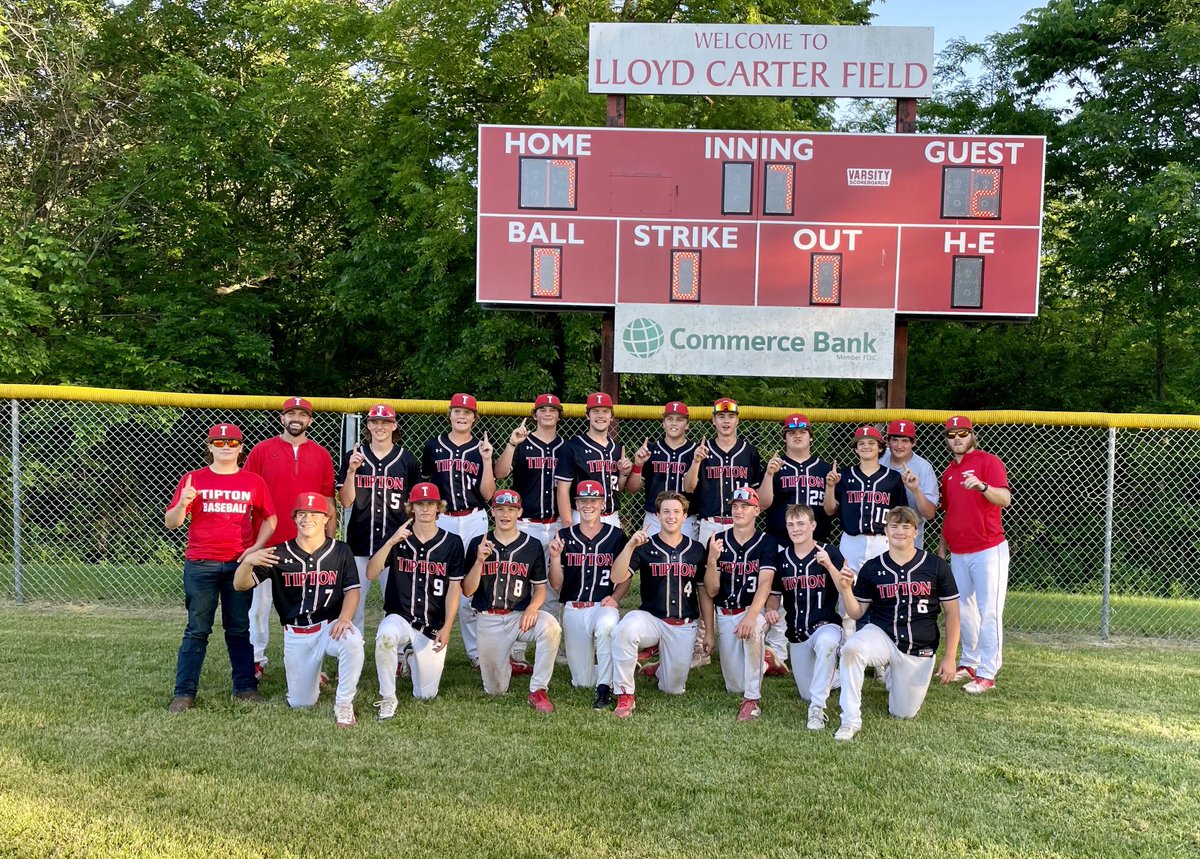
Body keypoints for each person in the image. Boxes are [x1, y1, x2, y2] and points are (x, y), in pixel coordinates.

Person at [164, 423, 276, 712]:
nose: (225, 448)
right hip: (201, 563)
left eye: (231, 443)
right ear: (210, 446)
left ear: (241, 449)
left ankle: (245, 687)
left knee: (239, 628)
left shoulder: (253, 481)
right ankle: (184, 692)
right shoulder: (193, 479)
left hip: (238, 564)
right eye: (219, 443)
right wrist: (183, 504)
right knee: (197, 629)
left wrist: (256, 547)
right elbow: (172, 523)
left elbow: (270, 519)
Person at [233, 493, 364, 727]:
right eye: (302, 514)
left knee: (353, 640)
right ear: (294, 519)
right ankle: (312, 676)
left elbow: (352, 590)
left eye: (315, 514)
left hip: (329, 627)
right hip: (296, 633)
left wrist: (345, 618)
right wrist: (248, 562)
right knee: (301, 703)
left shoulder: (341, 551)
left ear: (326, 519)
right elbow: (240, 585)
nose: (308, 519)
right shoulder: (278, 553)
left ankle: (344, 704)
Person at [831, 506, 960, 741]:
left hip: (918, 644)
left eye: (906, 526)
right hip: (882, 634)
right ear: (886, 531)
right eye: (894, 526)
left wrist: (950, 657)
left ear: (914, 531)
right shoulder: (873, 567)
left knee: (903, 713)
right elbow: (857, 612)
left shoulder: (935, 566)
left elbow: (952, 614)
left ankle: (896, 674)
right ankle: (850, 719)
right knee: (852, 649)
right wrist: (846, 588)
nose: (899, 531)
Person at [244, 397, 336, 679]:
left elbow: (329, 501)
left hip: (306, 545)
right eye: (291, 413)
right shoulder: (262, 450)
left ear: (310, 421)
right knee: (258, 607)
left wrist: (329, 541)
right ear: (282, 418)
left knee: (307, 607)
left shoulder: (321, 454)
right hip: (267, 542)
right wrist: (248, 541)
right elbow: (247, 496)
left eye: (302, 414)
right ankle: (256, 659)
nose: (296, 418)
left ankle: (310, 664)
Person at [366, 482, 464, 717]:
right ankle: (388, 697)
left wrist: (448, 627)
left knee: (425, 695)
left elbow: (454, 588)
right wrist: (391, 543)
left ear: (438, 508)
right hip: (400, 616)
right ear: (412, 508)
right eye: (420, 504)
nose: (425, 509)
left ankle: (411, 656)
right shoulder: (399, 537)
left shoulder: (452, 542)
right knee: (386, 637)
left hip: (432, 624)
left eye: (430, 504)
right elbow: (371, 573)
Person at [609, 491, 710, 718]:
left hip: (683, 624)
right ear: (657, 515)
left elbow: (704, 592)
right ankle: (625, 693)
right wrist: (629, 547)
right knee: (625, 628)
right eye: (666, 511)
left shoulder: (695, 550)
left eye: (676, 511)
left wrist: (709, 633)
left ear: (684, 516)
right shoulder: (645, 546)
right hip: (651, 618)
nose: (671, 516)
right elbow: (617, 577)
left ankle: (660, 667)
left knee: (672, 689)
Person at [461, 489, 562, 712]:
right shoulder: (479, 543)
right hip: (489, 619)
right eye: (500, 509)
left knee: (551, 627)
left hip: (519, 617)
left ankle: (538, 689)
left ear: (519, 513)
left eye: (511, 509)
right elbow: (468, 591)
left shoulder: (532, 544)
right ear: (493, 512)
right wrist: (478, 561)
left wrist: (533, 608)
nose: (505, 514)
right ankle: (506, 664)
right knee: (495, 690)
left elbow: (540, 589)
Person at [422, 393, 496, 668]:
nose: (462, 416)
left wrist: (487, 460)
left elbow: (489, 494)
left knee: (471, 586)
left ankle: (476, 653)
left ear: (474, 418)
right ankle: (428, 643)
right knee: (437, 582)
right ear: (450, 414)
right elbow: (426, 489)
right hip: (442, 520)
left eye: (467, 412)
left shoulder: (482, 448)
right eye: (457, 411)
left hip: (475, 518)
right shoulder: (433, 447)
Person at [939, 415, 1012, 694]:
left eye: (962, 433)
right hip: (958, 550)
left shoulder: (987, 462)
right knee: (963, 610)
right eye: (951, 434)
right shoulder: (948, 471)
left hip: (988, 548)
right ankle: (970, 662)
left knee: (989, 611)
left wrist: (982, 486)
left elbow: (1004, 499)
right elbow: (951, 510)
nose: (957, 438)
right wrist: (944, 542)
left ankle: (987, 673)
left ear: (972, 435)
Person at [756, 412, 833, 672]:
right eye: (791, 432)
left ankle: (817, 644)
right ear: (786, 437)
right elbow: (763, 503)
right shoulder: (776, 466)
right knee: (777, 593)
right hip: (780, 539)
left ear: (810, 436)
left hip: (815, 541)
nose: (797, 435)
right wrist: (768, 474)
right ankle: (775, 652)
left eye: (802, 431)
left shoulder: (824, 469)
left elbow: (832, 509)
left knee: (813, 594)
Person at [336, 403, 422, 634]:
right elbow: (345, 501)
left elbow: (416, 505)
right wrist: (352, 471)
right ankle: (353, 657)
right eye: (375, 421)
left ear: (394, 425)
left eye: (385, 422)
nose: (379, 426)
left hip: (396, 544)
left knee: (397, 606)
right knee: (354, 607)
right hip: (359, 542)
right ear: (368, 425)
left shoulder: (408, 460)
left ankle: (398, 655)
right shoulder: (353, 457)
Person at [495, 393, 565, 667]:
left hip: (556, 523)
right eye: (542, 409)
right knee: (521, 584)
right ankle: (518, 646)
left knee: (554, 585)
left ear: (559, 415)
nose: (547, 413)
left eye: (552, 409)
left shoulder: (566, 447)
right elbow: (500, 473)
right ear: (535, 415)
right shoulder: (522, 442)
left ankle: (551, 643)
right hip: (527, 523)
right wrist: (512, 444)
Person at [547, 480, 629, 709]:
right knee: (582, 681)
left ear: (602, 504)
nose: (588, 505)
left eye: (593, 500)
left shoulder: (616, 536)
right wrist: (555, 558)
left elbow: (626, 574)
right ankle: (615, 667)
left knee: (605, 628)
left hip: (603, 606)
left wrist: (617, 598)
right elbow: (555, 584)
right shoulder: (564, 535)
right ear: (576, 504)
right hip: (574, 607)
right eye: (583, 500)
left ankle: (604, 689)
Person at [768, 504, 848, 731]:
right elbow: (774, 595)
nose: (796, 529)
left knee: (827, 644)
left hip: (826, 624)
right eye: (791, 524)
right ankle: (842, 674)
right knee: (806, 692)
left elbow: (844, 590)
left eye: (801, 523)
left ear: (813, 525)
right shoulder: (782, 558)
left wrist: (830, 565)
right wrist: (772, 609)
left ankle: (817, 709)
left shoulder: (828, 551)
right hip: (797, 631)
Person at [702, 486, 777, 721]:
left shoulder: (767, 542)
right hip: (725, 612)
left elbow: (765, 583)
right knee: (734, 685)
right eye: (735, 506)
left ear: (757, 511)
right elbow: (711, 590)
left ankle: (752, 700)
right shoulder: (717, 541)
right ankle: (766, 662)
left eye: (745, 506)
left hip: (754, 609)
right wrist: (712, 561)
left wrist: (752, 616)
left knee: (753, 631)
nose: (739, 510)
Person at [823, 425, 907, 575]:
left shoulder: (893, 477)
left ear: (880, 448)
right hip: (851, 540)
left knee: (882, 588)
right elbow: (829, 510)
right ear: (855, 449)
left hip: (883, 540)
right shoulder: (845, 475)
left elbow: (901, 515)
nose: (866, 446)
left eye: (871, 443)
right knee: (847, 587)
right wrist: (830, 487)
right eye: (861, 443)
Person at [685, 398, 764, 547]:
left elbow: (756, 492)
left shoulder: (750, 452)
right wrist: (696, 462)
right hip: (709, 524)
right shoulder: (701, 450)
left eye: (731, 416)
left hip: (741, 523)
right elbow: (688, 488)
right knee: (707, 568)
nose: (726, 421)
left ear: (737, 420)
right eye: (721, 416)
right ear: (714, 420)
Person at [555, 392, 631, 530]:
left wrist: (624, 474)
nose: (600, 416)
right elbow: (562, 489)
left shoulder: (617, 449)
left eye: (605, 411)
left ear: (612, 416)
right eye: (595, 411)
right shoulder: (572, 447)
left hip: (611, 516)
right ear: (587, 415)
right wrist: (567, 525)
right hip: (581, 515)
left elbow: (616, 488)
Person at [628, 401, 699, 540]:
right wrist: (638, 465)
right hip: (655, 518)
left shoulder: (695, 452)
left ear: (687, 424)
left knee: (687, 560)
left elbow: (692, 487)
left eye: (679, 419)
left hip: (686, 518)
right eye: (669, 419)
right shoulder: (651, 450)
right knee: (651, 561)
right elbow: (632, 489)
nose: (674, 423)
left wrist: (696, 461)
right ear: (663, 423)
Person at [879, 419, 939, 549]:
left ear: (914, 443)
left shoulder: (924, 468)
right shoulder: (879, 458)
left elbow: (929, 514)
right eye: (895, 440)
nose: (899, 445)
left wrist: (916, 490)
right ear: (888, 441)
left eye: (905, 441)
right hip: (879, 532)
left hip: (909, 533)